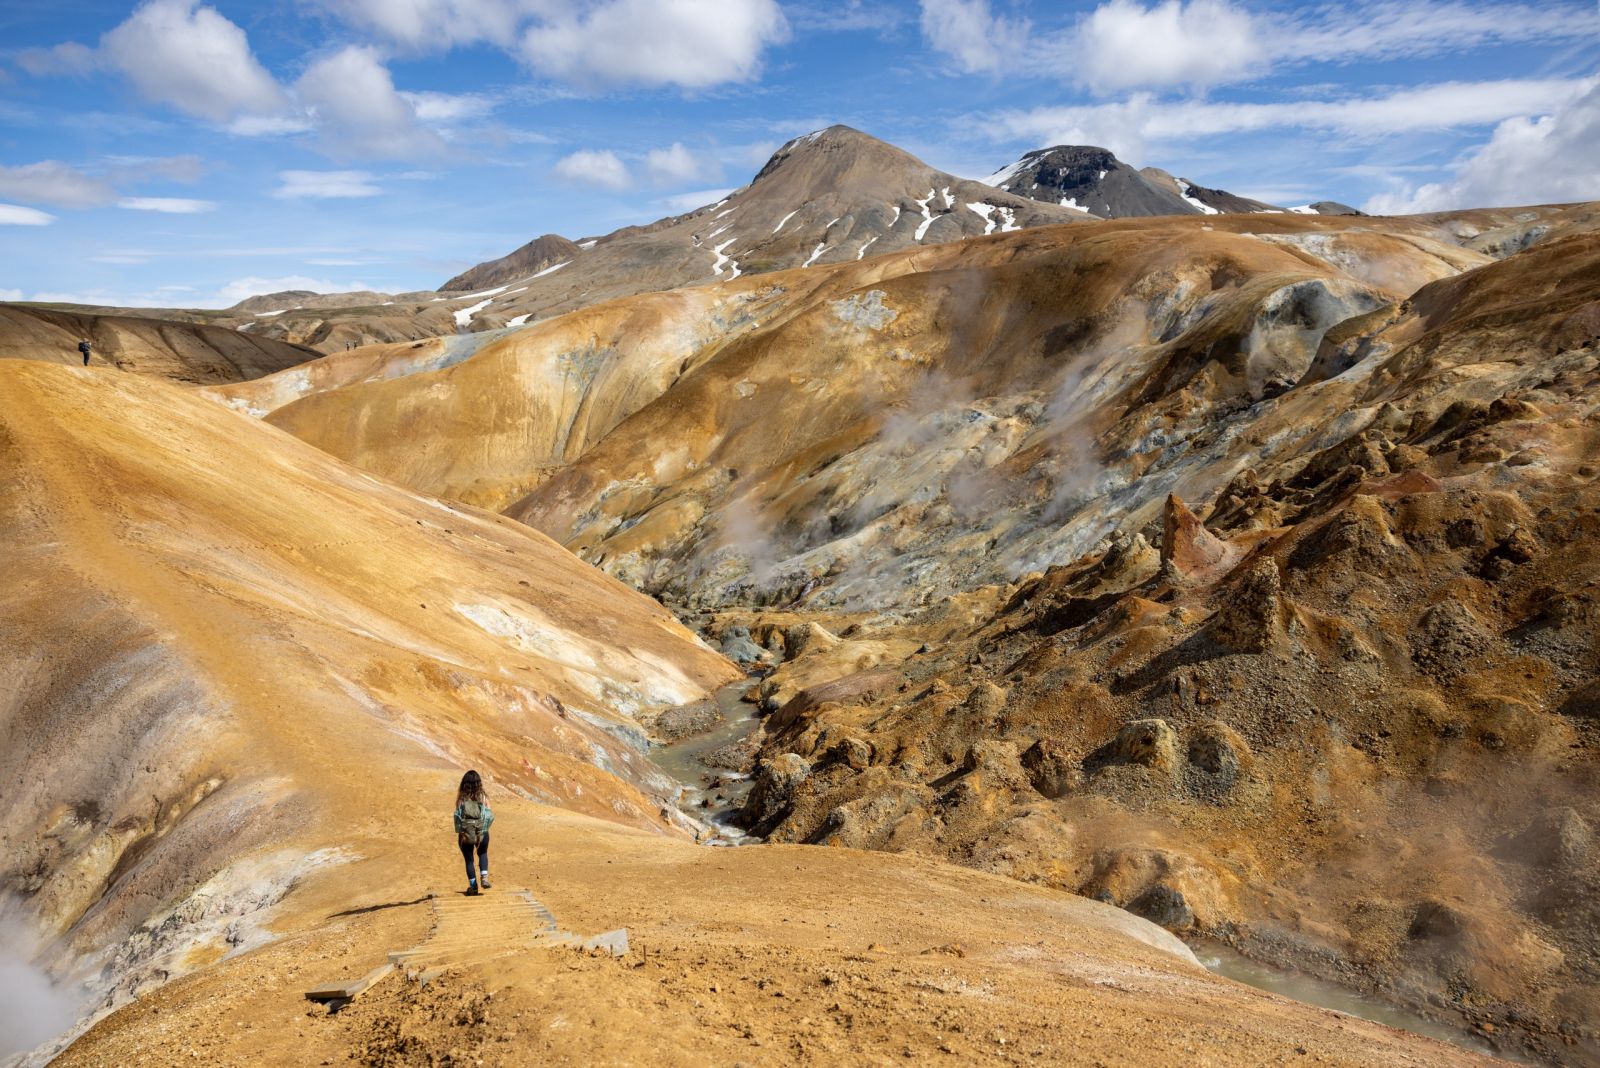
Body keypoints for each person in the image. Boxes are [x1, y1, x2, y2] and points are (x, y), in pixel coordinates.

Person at [453, 769, 494, 895]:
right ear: (478, 783)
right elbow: (489, 813)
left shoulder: (461, 798)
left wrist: (461, 833)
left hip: (466, 833)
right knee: (482, 853)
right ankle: (484, 878)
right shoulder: (483, 796)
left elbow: (458, 816)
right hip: (481, 832)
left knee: (469, 860)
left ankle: (473, 886)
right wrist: (483, 829)